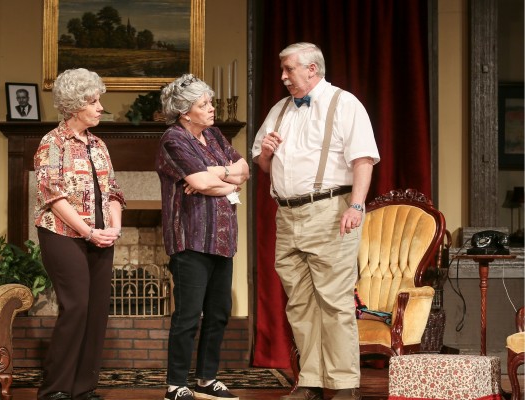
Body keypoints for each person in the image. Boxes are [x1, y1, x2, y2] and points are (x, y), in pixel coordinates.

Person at [251, 42, 380, 400]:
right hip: (287, 214)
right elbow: (263, 165)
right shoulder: (279, 110)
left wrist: (356, 206)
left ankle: (344, 385)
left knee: (334, 301)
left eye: (288, 69)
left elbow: (363, 160)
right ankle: (310, 380)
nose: (283, 76)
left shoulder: (344, 103)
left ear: (311, 69)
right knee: (300, 303)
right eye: (282, 69)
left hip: (330, 211)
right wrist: (266, 154)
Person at [156, 74, 249, 400]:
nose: (211, 108)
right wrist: (225, 180)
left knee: (219, 312)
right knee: (188, 315)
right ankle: (175, 385)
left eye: (210, 102)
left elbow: (245, 170)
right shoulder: (174, 139)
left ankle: (206, 380)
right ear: (185, 112)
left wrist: (216, 175)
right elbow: (200, 182)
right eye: (204, 104)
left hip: (222, 239)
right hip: (190, 238)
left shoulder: (214, 134)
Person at [33, 68, 124, 400]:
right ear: (74, 105)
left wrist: (113, 227)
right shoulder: (52, 143)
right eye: (93, 101)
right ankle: (55, 389)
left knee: (97, 311)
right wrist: (88, 232)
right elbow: (53, 196)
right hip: (63, 235)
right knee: (77, 307)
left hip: (100, 235)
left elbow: (113, 191)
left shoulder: (98, 145)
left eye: (99, 100)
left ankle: (83, 388)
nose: (100, 107)